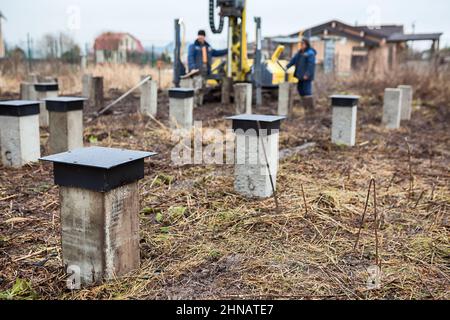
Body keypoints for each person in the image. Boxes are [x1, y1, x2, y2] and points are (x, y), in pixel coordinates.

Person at [187, 30, 227, 106]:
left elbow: (216, 53)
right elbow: (190, 57)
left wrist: (227, 50)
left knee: (202, 88)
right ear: (197, 36)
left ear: (204, 37)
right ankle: (194, 104)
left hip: (205, 71)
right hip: (197, 71)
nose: (200, 37)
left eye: (202, 35)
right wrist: (192, 67)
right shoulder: (193, 47)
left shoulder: (208, 47)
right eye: (199, 35)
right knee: (197, 88)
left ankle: (199, 103)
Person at [286, 39, 317, 117]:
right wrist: (287, 67)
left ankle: (310, 112)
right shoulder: (299, 53)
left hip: (306, 77)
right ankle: (305, 109)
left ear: (306, 44)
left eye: (303, 44)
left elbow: (311, 65)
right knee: (301, 91)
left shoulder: (310, 53)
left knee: (307, 92)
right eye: (300, 44)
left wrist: (307, 74)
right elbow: (293, 61)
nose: (301, 46)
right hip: (300, 76)